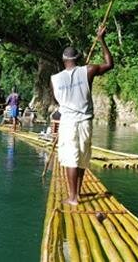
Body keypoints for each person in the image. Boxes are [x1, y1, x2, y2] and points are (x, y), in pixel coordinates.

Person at [50, 25, 113, 206]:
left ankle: (72, 198)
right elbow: (110, 64)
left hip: (68, 122)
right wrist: (101, 40)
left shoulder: (54, 78)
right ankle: (77, 193)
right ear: (78, 58)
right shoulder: (89, 70)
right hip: (85, 122)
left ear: (63, 60)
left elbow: (58, 101)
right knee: (82, 158)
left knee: (71, 158)